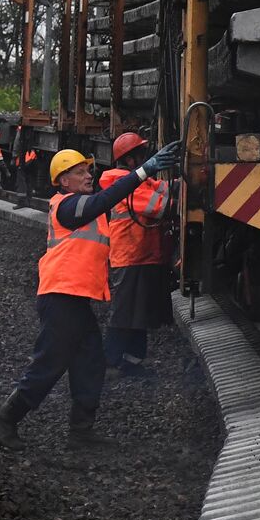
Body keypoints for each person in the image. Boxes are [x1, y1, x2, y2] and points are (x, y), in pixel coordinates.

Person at [0, 140, 181, 452]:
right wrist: (144, 171)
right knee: (49, 364)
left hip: (73, 298)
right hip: (61, 297)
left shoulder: (79, 203)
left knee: (90, 362)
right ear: (64, 181)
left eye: (88, 170)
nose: (89, 175)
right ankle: (6, 417)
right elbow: (104, 200)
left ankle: (81, 431)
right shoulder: (65, 205)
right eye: (80, 172)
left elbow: (114, 203)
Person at [99, 133, 175, 378]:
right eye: (142, 155)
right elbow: (161, 206)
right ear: (130, 160)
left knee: (138, 312)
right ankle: (110, 362)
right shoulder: (123, 183)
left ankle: (132, 362)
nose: (146, 158)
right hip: (131, 258)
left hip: (142, 256)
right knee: (124, 313)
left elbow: (162, 188)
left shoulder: (136, 182)